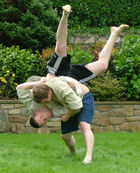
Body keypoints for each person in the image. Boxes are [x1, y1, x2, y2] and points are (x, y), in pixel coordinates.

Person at [16, 5, 129, 164]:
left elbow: (19, 88)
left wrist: (40, 82)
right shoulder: (55, 113)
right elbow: (72, 105)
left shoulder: (32, 104)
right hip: (72, 84)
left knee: (61, 47)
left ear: (35, 112)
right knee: (103, 65)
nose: (46, 118)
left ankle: (65, 14)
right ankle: (114, 33)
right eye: (45, 121)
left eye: (41, 117)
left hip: (56, 76)